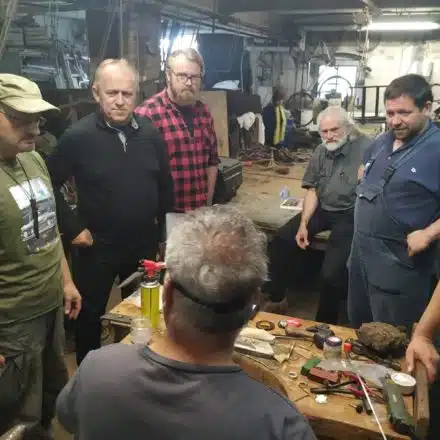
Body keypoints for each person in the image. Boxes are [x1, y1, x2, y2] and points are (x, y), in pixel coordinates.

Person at [55, 205, 316, 440]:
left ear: (166, 294)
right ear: (253, 306)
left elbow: (67, 418)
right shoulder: (280, 423)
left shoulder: (97, 371)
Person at [46, 59, 174, 365]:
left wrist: (164, 237)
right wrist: (72, 226)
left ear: (136, 94)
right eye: (112, 93)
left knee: (143, 314)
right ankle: (89, 376)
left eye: (127, 94)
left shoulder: (150, 134)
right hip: (96, 247)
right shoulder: (77, 137)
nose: (119, 101)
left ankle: (136, 370)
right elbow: (47, 184)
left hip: (142, 246)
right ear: (96, 93)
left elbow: (165, 187)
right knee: (89, 316)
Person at [0, 74, 81, 436]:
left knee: (50, 399)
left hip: (49, 309)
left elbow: (48, 229)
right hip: (12, 324)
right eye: (20, 119)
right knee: (17, 417)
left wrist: (66, 281)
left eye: (36, 118)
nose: (34, 128)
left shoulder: (33, 159)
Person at [263, 106, 372, 322]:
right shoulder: (321, 151)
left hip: (350, 212)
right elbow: (312, 190)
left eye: (334, 130)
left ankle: (325, 323)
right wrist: (304, 223)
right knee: (282, 239)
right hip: (323, 207)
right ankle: (277, 298)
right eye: (324, 131)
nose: (329, 136)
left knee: (331, 273)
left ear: (347, 127)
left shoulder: (367, 148)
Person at [348, 74, 440, 329]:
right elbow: (365, 169)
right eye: (390, 113)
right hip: (362, 258)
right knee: (358, 328)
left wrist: (429, 234)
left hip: (399, 266)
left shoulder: (436, 149)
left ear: (426, 108)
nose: (395, 121)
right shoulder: (382, 141)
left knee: (393, 337)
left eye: (404, 113)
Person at [135, 48, 219, 212]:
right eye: (182, 76)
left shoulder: (204, 113)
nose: (189, 83)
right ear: (168, 75)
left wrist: (208, 204)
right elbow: (138, 174)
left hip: (200, 214)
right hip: (166, 216)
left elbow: (212, 162)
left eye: (194, 77)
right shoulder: (147, 114)